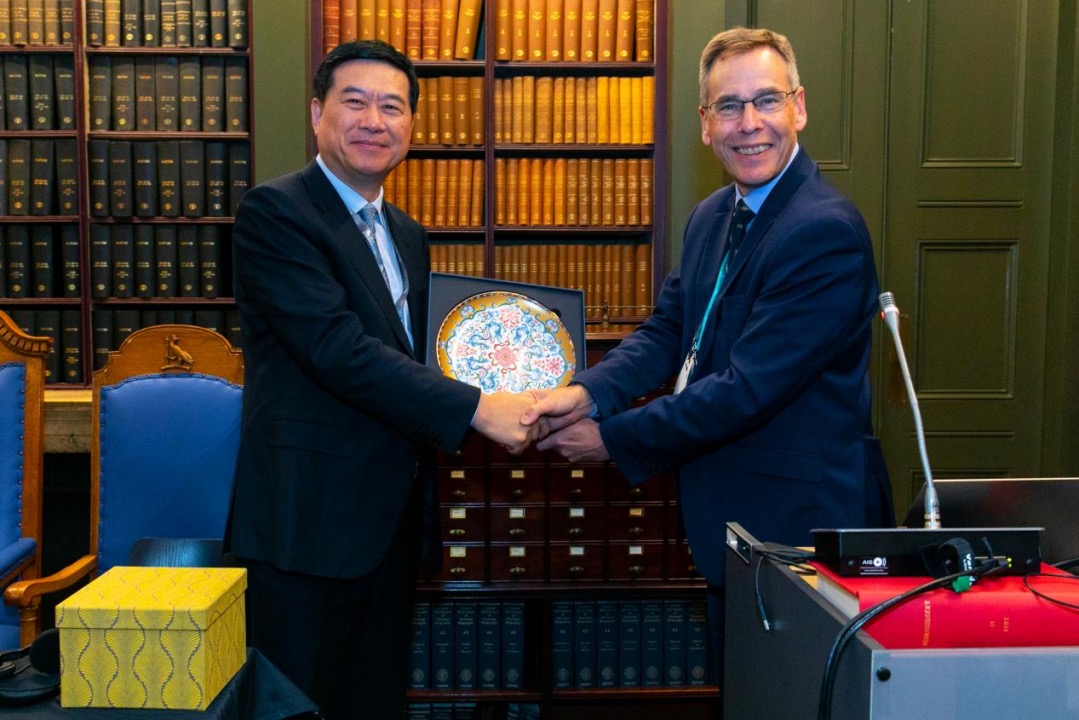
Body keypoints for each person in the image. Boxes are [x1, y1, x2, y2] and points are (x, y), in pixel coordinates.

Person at [523, 26, 894, 680]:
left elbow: (747, 389)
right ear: (704, 123)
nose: (748, 124)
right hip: (737, 527)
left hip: (799, 535)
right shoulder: (711, 217)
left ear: (799, 107)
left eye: (767, 100)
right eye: (728, 106)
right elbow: (668, 332)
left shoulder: (823, 230)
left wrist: (610, 439)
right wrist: (585, 393)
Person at [225, 40, 538, 719]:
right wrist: (480, 408)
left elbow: (415, 358)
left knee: (373, 702)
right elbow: (336, 348)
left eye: (392, 107)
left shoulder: (407, 233)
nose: (374, 121)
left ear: (412, 125)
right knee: (294, 706)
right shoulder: (275, 213)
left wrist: (518, 376)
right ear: (317, 113)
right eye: (355, 102)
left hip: (389, 521)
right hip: (306, 525)